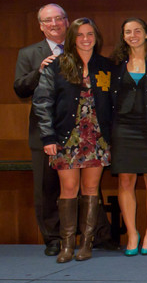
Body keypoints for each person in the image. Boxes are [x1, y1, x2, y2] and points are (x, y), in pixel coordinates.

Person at [32, 18, 115, 263]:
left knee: (90, 189)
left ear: (96, 37)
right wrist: (48, 136)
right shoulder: (57, 66)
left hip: (97, 138)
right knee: (68, 189)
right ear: (72, 38)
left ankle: (86, 243)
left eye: (90, 34)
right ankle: (67, 244)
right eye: (80, 34)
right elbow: (42, 103)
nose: (86, 39)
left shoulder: (106, 66)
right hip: (66, 138)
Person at [110, 18, 147, 256]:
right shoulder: (115, 63)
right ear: (123, 36)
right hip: (123, 128)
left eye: (137, 31)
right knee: (125, 181)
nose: (132, 35)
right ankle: (133, 233)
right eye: (127, 32)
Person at [14, 4, 69, 255]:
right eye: (48, 20)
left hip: (78, 132)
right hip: (42, 133)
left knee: (82, 186)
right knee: (46, 189)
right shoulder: (28, 53)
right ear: (40, 26)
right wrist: (39, 71)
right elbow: (20, 89)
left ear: (67, 22)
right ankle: (53, 239)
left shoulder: (81, 46)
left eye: (59, 18)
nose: (54, 23)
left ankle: (88, 235)